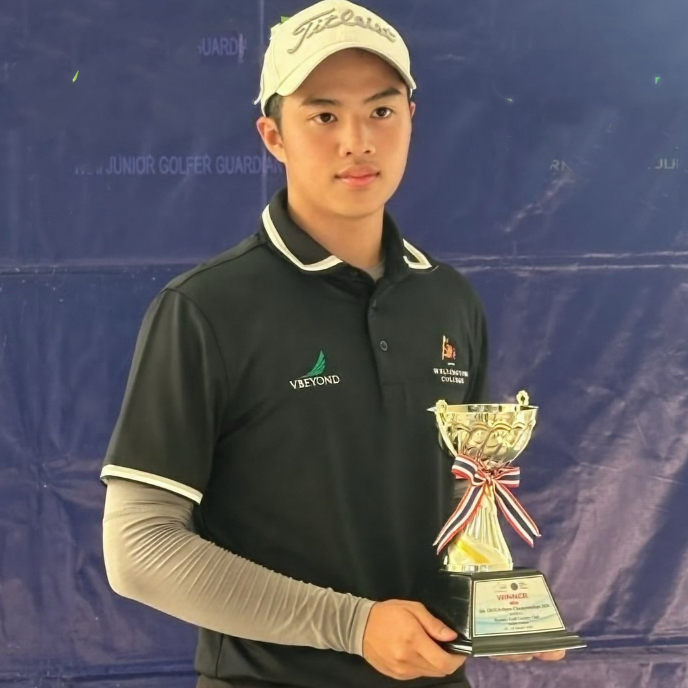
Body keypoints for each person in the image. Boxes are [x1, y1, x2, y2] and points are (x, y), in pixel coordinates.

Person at [100, 1, 564, 686]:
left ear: (411, 118)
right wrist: (354, 626)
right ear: (273, 136)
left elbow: (464, 500)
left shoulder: (449, 301)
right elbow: (138, 548)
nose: (357, 140)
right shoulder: (206, 309)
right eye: (323, 116)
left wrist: (493, 607)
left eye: (381, 111)